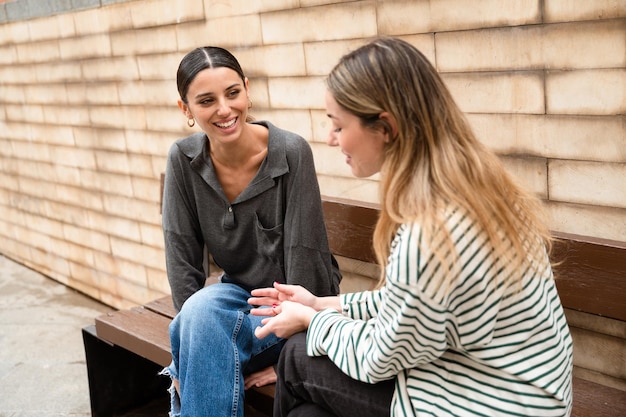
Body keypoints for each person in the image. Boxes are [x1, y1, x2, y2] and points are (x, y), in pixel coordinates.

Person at [249, 37, 573, 417]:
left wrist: (311, 319)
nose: (330, 138)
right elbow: (412, 308)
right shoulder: (478, 185)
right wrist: (326, 302)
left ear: (385, 126)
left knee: (297, 356)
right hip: (525, 390)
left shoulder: (431, 227)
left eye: (338, 125)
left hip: (495, 401)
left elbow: (381, 356)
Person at [160, 46, 341, 417]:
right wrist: (186, 348)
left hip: (293, 308)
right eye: (206, 100)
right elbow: (181, 259)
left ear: (247, 89)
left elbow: (308, 260)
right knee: (199, 312)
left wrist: (298, 347)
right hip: (233, 302)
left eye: (232, 93)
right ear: (186, 109)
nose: (225, 110)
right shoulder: (183, 159)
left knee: (204, 326)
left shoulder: (290, 153)